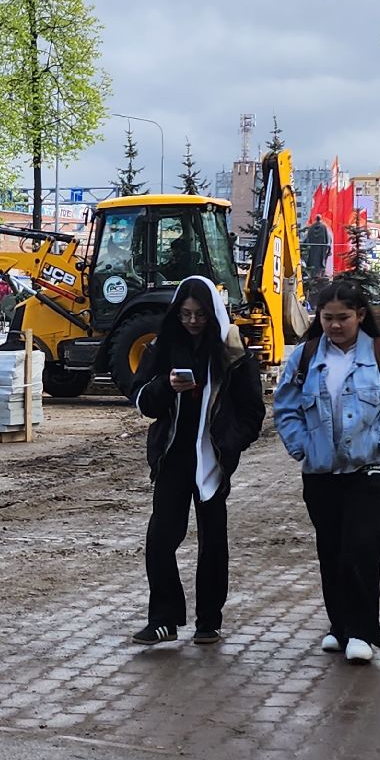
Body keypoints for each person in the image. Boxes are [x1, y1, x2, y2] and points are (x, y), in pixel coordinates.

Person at [273, 279, 380, 664]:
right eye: (327, 318)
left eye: (343, 318)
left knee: (362, 547)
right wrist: (300, 446)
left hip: (371, 468)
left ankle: (364, 633)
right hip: (321, 471)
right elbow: (285, 408)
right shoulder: (305, 357)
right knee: (332, 550)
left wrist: (378, 442)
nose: (335, 326)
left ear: (360, 315)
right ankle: (339, 628)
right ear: (318, 318)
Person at [126, 277, 266, 646]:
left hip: (213, 460)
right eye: (185, 314)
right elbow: (141, 400)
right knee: (160, 539)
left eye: (200, 315)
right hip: (173, 458)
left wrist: (232, 444)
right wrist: (164, 387)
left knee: (213, 542)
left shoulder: (232, 353)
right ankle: (163, 619)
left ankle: (209, 621)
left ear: (213, 315)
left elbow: (253, 412)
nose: (192, 321)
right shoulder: (164, 347)